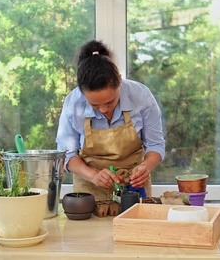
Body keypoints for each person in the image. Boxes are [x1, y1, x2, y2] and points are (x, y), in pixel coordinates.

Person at [56, 39, 165, 200]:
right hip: (89, 190)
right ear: (81, 92)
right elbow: (67, 155)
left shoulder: (141, 97)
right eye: (94, 104)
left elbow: (155, 144)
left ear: (119, 81)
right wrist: (93, 176)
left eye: (110, 102)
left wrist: (145, 167)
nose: (103, 110)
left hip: (134, 188)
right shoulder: (73, 104)